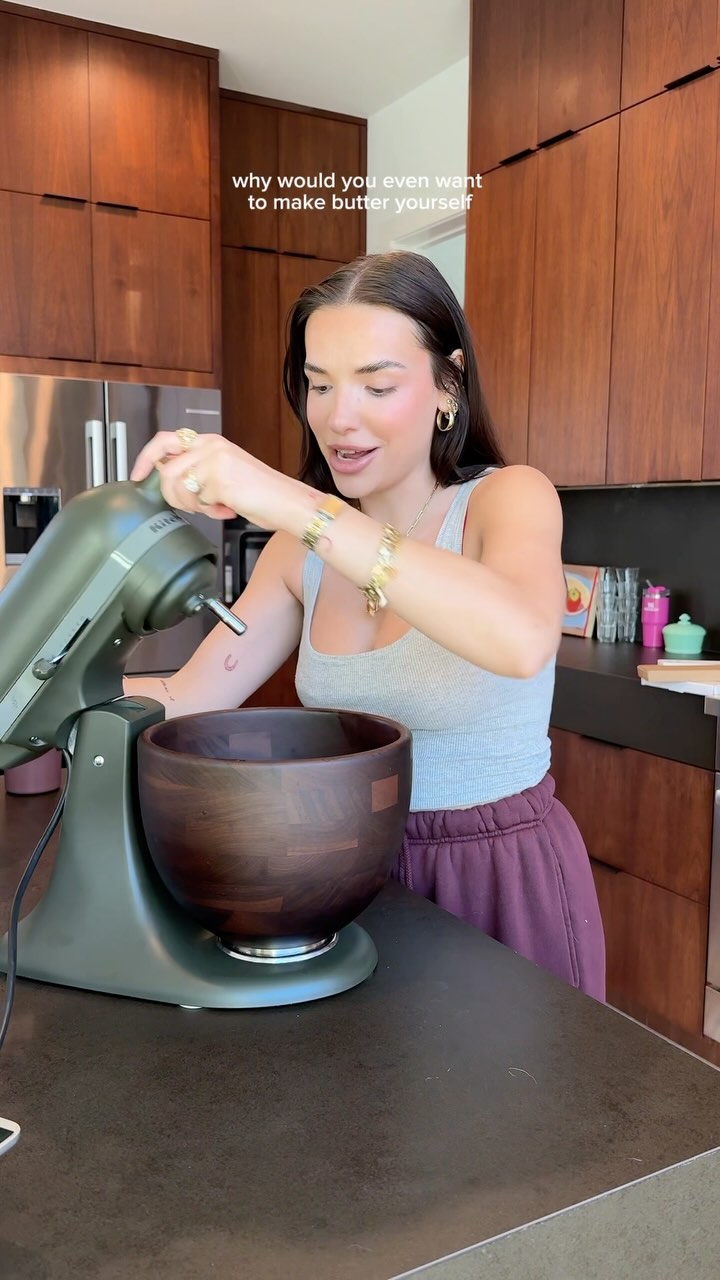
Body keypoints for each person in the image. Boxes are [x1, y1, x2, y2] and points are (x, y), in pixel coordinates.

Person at [127, 250, 606, 1001]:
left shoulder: (508, 499)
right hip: (346, 875)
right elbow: (185, 700)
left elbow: (520, 639)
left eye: (376, 386)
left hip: (495, 876)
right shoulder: (299, 554)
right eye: (319, 385)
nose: (337, 418)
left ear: (448, 384)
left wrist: (294, 503)